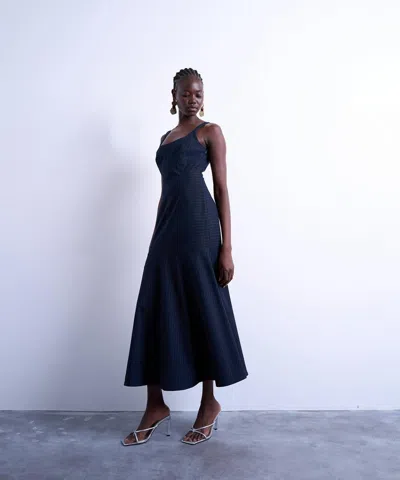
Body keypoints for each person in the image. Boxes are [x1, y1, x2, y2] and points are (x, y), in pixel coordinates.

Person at [122, 67, 248, 446]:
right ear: (174, 96)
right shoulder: (165, 138)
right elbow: (166, 192)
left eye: (198, 94)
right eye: (186, 93)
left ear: (202, 97)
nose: (192, 99)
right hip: (167, 234)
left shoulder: (211, 132)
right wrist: (155, 237)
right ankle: (155, 404)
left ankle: (209, 403)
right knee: (155, 309)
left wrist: (227, 247)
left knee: (202, 308)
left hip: (201, 232)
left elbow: (222, 189)